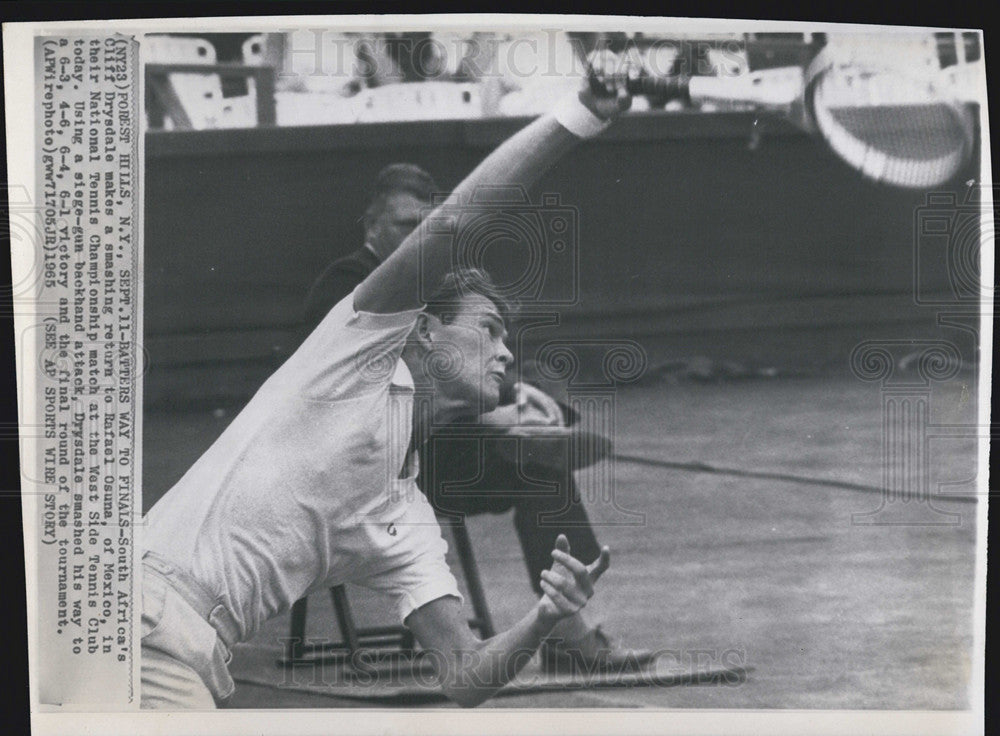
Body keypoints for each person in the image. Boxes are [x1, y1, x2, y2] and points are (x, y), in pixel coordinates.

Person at [141, 52, 636, 709]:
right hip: (128, 605)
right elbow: (460, 220)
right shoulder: (357, 356)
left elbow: (464, 678)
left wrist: (544, 615)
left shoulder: (403, 516)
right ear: (424, 329)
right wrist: (579, 116)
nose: (506, 352)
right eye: (489, 330)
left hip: (188, 650)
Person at [303, 163, 652, 673]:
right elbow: (359, 396)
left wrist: (519, 394)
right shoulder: (349, 286)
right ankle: (527, 435)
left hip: (439, 459)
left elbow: (470, 357)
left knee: (542, 472)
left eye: (427, 226)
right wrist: (489, 416)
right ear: (370, 225)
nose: (417, 238)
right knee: (514, 439)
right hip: (369, 466)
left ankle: (565, 628)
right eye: (405, 225)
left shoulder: (439, 286)